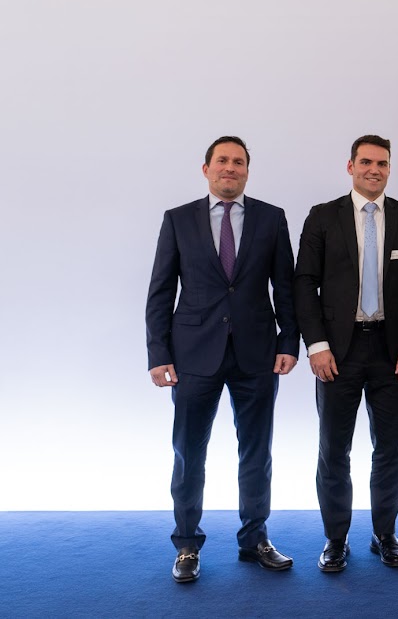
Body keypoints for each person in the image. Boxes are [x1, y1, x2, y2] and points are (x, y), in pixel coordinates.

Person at [146, 136, 299, 583]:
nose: (230, 168)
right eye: (222, 161)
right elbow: (161, 290)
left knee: (257, 452)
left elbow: (285, 288)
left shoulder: (271, 218)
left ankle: (255, 540)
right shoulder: (178, 219)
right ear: (206, 169)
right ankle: (187, 544)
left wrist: (289, 342)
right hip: (193, 355)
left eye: (238, 162)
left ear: (247, 170)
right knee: (188, 453)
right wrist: (158, 353)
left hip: (257, 354)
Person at [293, 134, 398, 573]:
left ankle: (385, 534)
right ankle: (336, 539)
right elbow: (304, 283)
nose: (375, 170)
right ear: (350, 166)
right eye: (367, 162)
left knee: (390, 448)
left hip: (392, 351)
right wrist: (316, 345)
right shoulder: (322, 216)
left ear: (390, 168)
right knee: (333, 450)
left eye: (383, 163)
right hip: (337, 352)